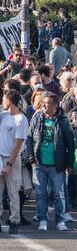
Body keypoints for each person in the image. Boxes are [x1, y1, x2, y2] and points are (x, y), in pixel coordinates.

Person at [26, 90, 74, 231]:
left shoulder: (63, 120)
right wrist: (31, 158)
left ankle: (60, 220)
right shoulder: (37, 117)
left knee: (59, 195)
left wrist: (69, 164)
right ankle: (43, 219)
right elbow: (29, 138)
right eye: (43, 104)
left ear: (55, 106)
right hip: (39, 164)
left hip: (57, 166)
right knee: (41, 194)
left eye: (47, 104)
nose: (44, 106)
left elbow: (70, 143)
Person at [0, 88, 26, 233]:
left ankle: (15, 221)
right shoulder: (2, 116)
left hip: (11, 159)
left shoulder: (21, 119)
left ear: (9, 101)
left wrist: (8, 164)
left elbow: (18, 144)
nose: (2, 102)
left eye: (4, 100)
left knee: (13, 192)